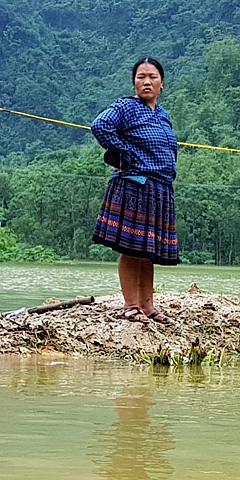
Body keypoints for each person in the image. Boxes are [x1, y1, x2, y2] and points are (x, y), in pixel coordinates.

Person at [89, 58, 179, 322]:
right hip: (134, 185)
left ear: (162, 83)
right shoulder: (126, 107)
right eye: (141, 77)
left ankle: (148, 306)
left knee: (146, 250)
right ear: (134, 83)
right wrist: (124, 153)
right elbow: (100, 126)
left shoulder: (163, 115)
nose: (146, 82)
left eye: (152, 77)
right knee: (131, 247)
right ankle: (130, 305)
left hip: (159, 188)